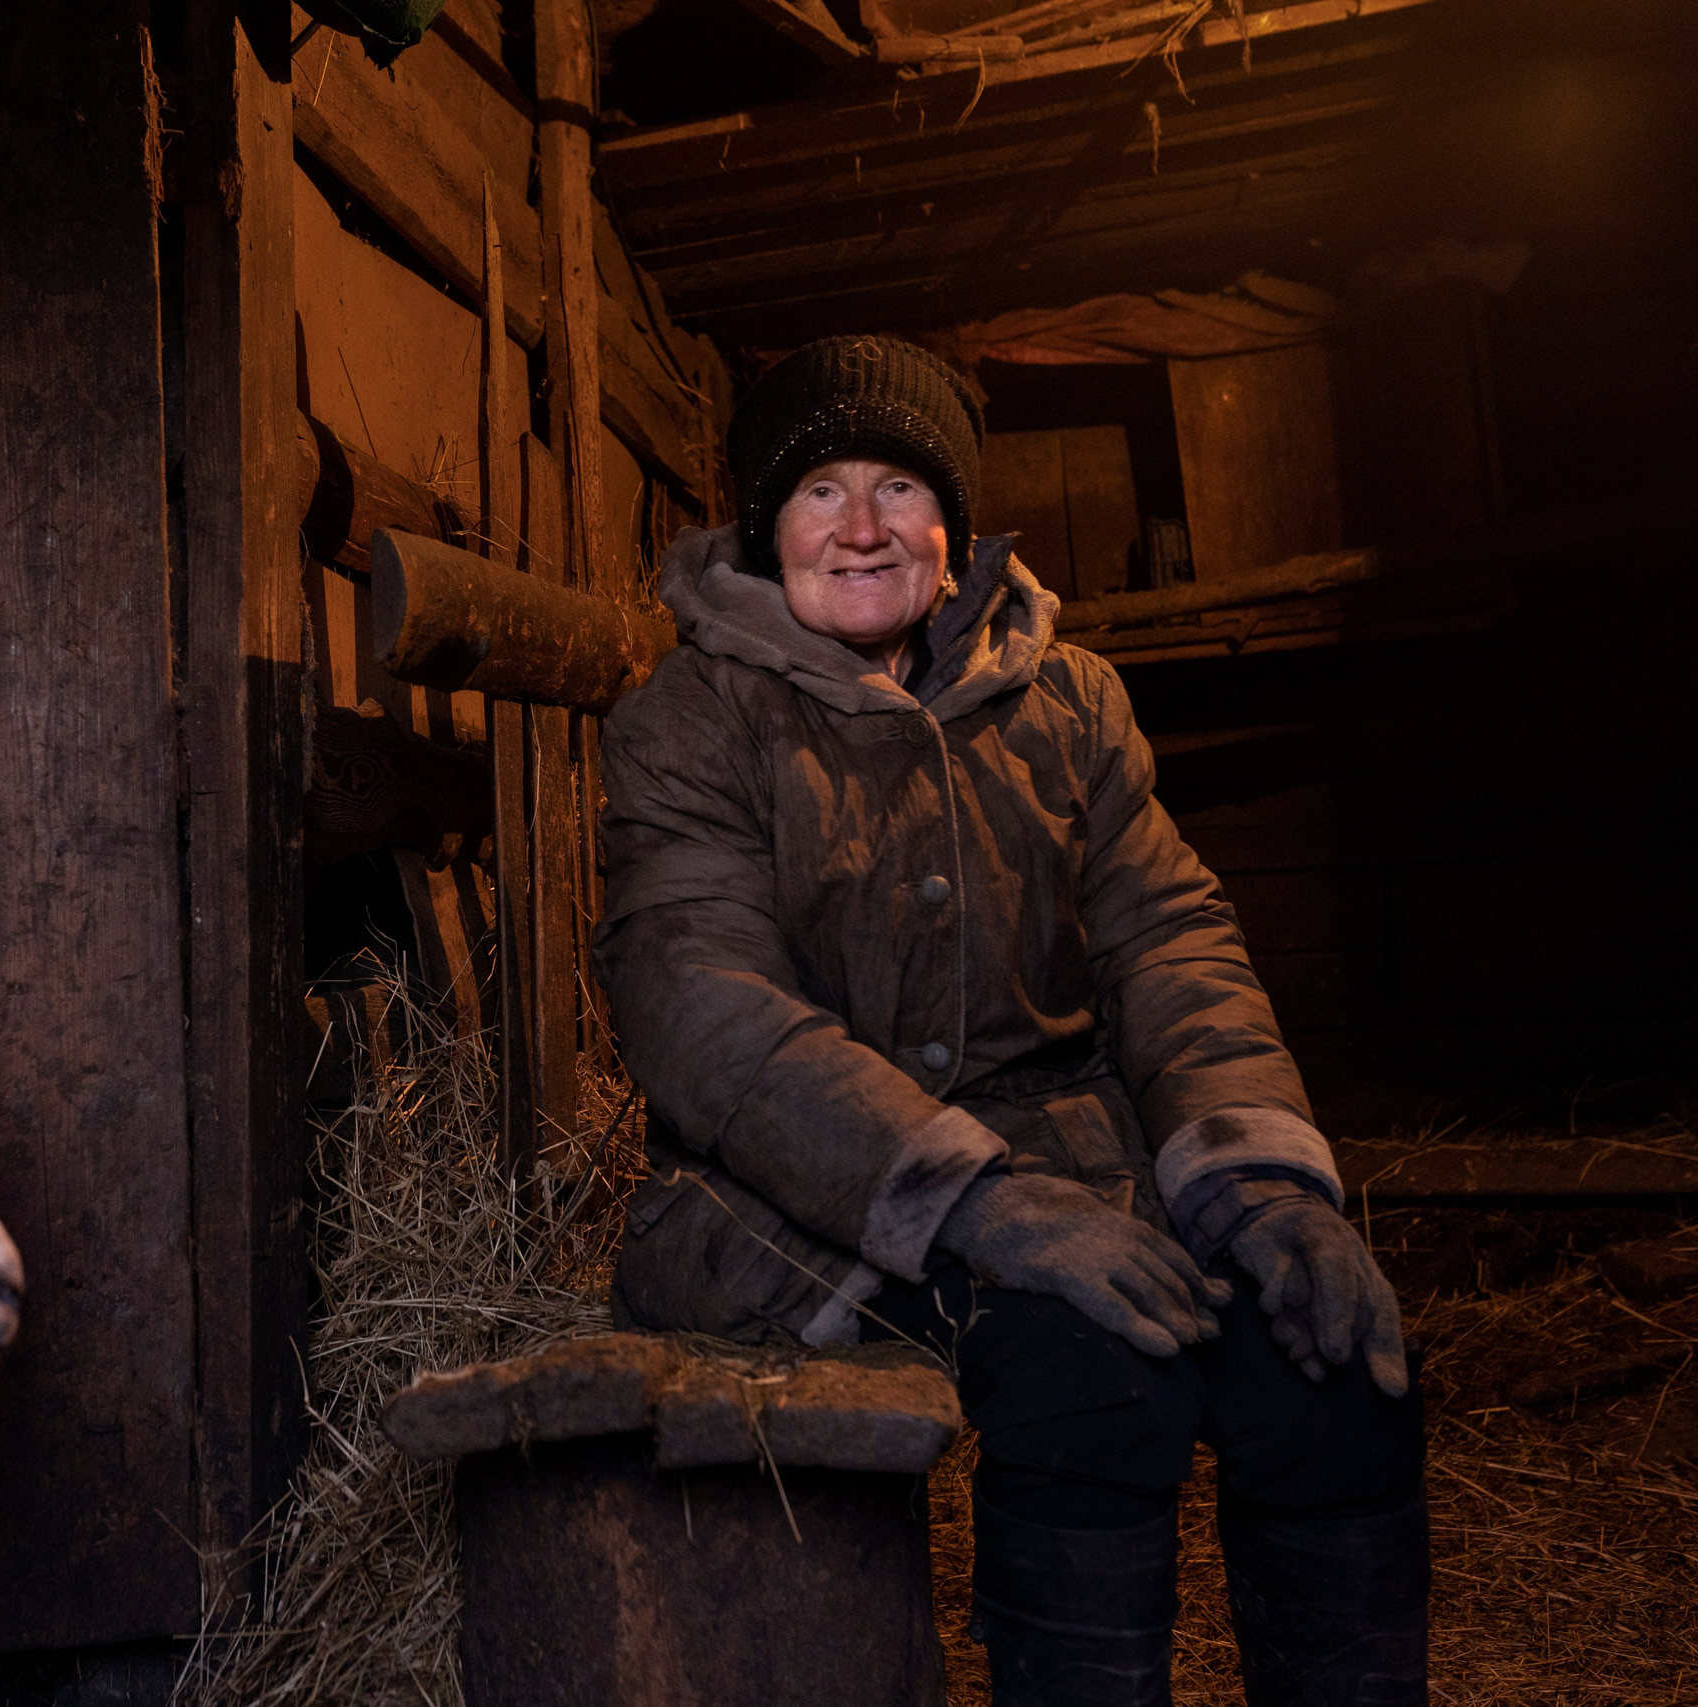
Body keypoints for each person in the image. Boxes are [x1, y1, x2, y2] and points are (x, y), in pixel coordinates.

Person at [598, 335, 1427, 1706]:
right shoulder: (691, 721)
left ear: (955, 522)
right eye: (819, 493)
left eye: (900, 489)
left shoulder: (1069, 696)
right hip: (802, 1191)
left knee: (1335, 1375)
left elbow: (1171, 942)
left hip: (1072, 1162)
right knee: (1098, 1377)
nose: (863, 528)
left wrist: (1265, 1186)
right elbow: (703, 1004)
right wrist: (982, 1205)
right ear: (764, 523)